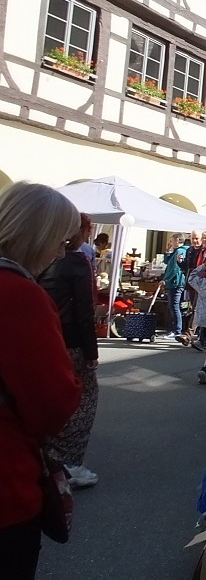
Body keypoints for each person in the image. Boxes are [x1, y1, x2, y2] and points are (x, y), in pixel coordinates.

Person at [0, 182, 82, 576]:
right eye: (61, 240)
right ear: (39, 237)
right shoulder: (19, 295)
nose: (61, 251)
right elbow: (51, 403)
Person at [37, 212, 99, 489]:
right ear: (83, 232)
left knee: (47, 396)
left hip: (45, 336)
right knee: (83, 399)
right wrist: (91, 351)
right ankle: (71, 463)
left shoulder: (42, 259)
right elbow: (85, 310)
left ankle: (47, 458)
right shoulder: (77, 261)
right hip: (72, 339)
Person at [161, 233, 188, 341]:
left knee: (174, 306)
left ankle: (177, 330)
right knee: (174, 306)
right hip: (175, 282)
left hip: (176, 282)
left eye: (171, 240)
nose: (170, 243)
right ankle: (176, 329)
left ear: (177, 240)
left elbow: (175, 268)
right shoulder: (177, 251)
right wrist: (167, 251)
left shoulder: (180, 251)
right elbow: (167, 262)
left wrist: (165, 280)